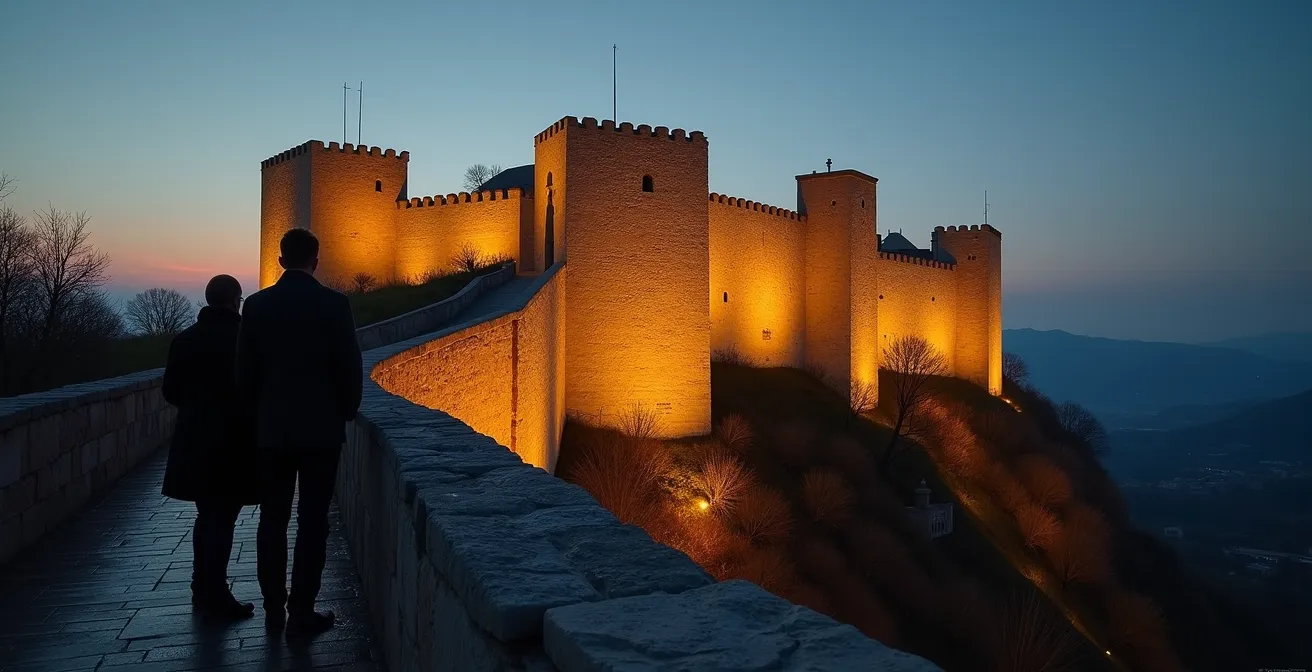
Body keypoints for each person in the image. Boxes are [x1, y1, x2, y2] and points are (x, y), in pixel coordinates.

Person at [237, 228, 363, 637]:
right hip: (321, 432)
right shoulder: (335, 304)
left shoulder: (255, 306)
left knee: (272, 519)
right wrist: (345, 411)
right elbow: (349, 366)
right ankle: (302, 611)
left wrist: (254, 419)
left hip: (271, 432)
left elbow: (245, 374)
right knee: (313, 521)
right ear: (316, 259)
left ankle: (273, 604)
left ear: (279, 260)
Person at [161, 274, 258, 619]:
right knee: (224, 517)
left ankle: (202, 585)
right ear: (235, 301)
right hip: (235, 441)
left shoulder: (185, 340)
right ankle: (215, 591)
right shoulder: (246, 338)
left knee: (207, 514)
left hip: (196, 439)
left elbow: (170, 391)